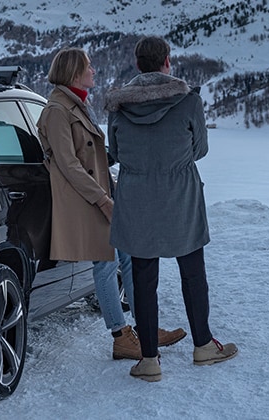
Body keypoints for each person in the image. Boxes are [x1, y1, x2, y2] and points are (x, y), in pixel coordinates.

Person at [36, 48, 185, 361]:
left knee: (128, 259)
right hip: (86, 201)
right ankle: (120, 336)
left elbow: (97, 155)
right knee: (105, 266)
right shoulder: (56, 110)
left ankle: (146, 326)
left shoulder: (78, 104)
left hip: (103, 195)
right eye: (89, 66)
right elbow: (69, 164)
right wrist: (103, 200)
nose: (94, 70)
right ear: (74, 72)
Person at [105, 36, 238, 382]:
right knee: (193, 273)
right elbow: (200, 149)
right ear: (167, 62)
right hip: (180, 196)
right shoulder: (188, 101)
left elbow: (115, 152)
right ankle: (203, 346)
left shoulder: (118, 107)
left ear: (138, 65)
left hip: (135, 199)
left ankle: (149, 359)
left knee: (143, 279)